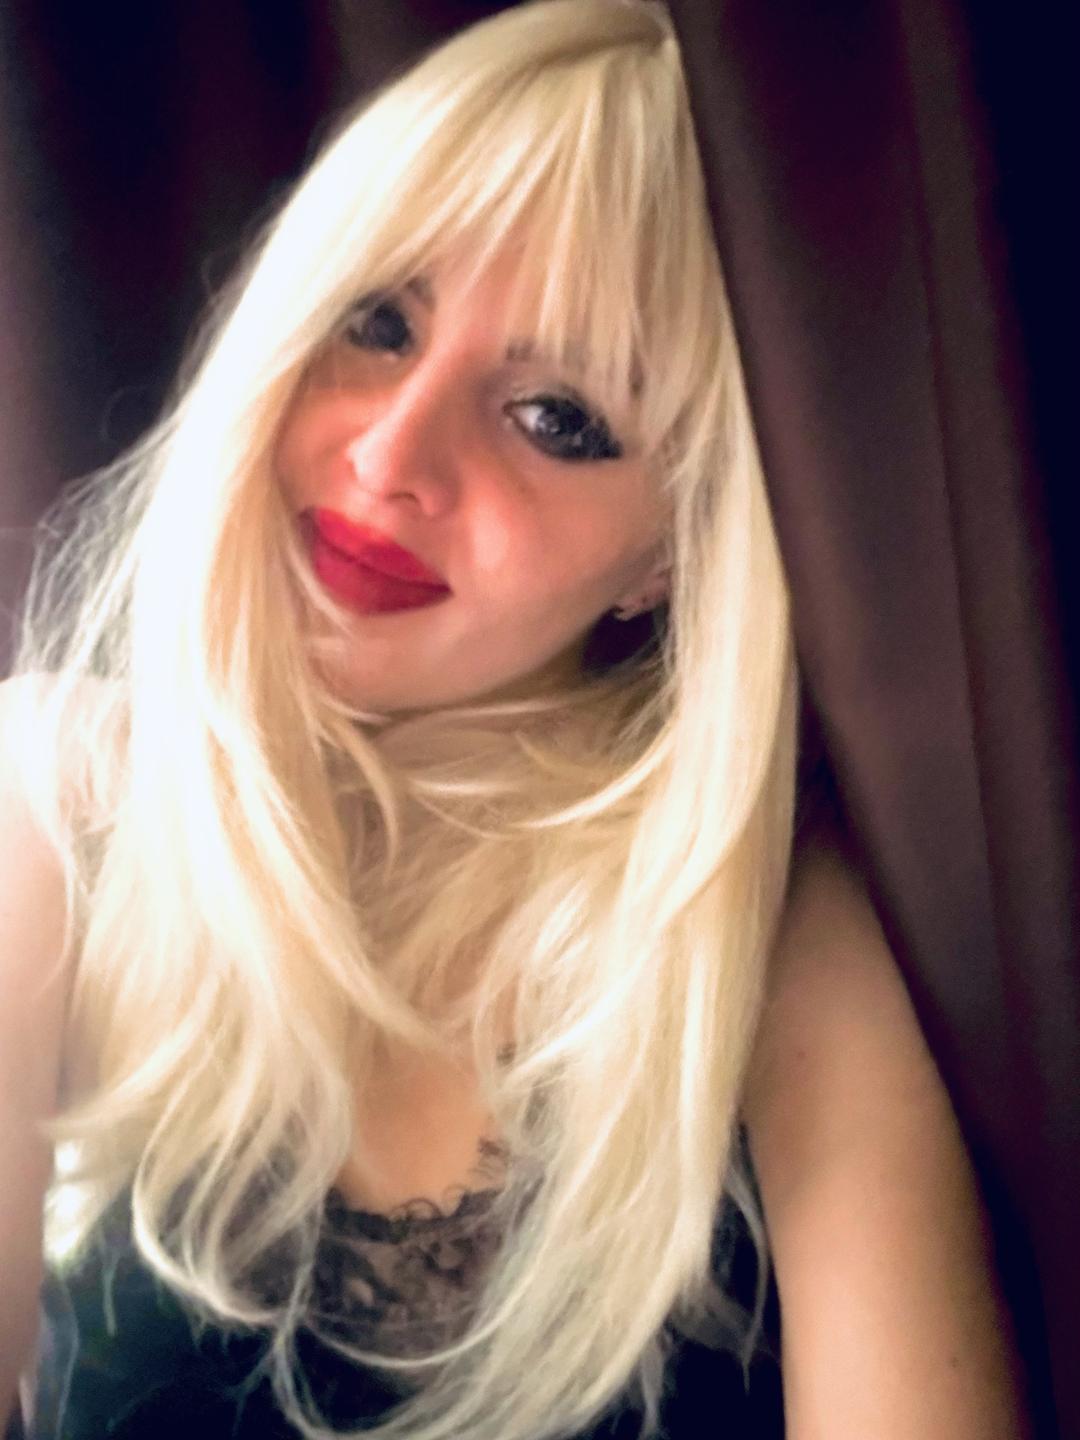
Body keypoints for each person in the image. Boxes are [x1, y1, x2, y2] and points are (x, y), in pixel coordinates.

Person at [0, 1, 1031, 1437]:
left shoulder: (753, 931)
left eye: (558, 419)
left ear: (672, 552)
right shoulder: (56, 794)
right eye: (377, 323)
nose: (391, 455)